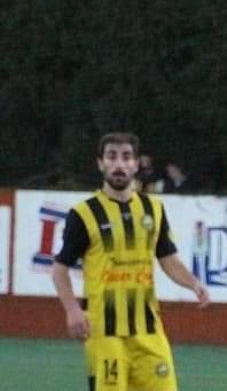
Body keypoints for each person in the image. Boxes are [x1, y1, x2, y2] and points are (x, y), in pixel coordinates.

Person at [51, 132, 209, 391]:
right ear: (101, 163)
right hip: (104, 331)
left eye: (126, 157)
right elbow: (59, 270)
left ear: (136, 164)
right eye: (111, 157)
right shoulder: (84, 214)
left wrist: (193, 284)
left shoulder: (153, 209)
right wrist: (72, 310)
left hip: (148, 329)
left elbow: (167, 257)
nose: (119, 164)